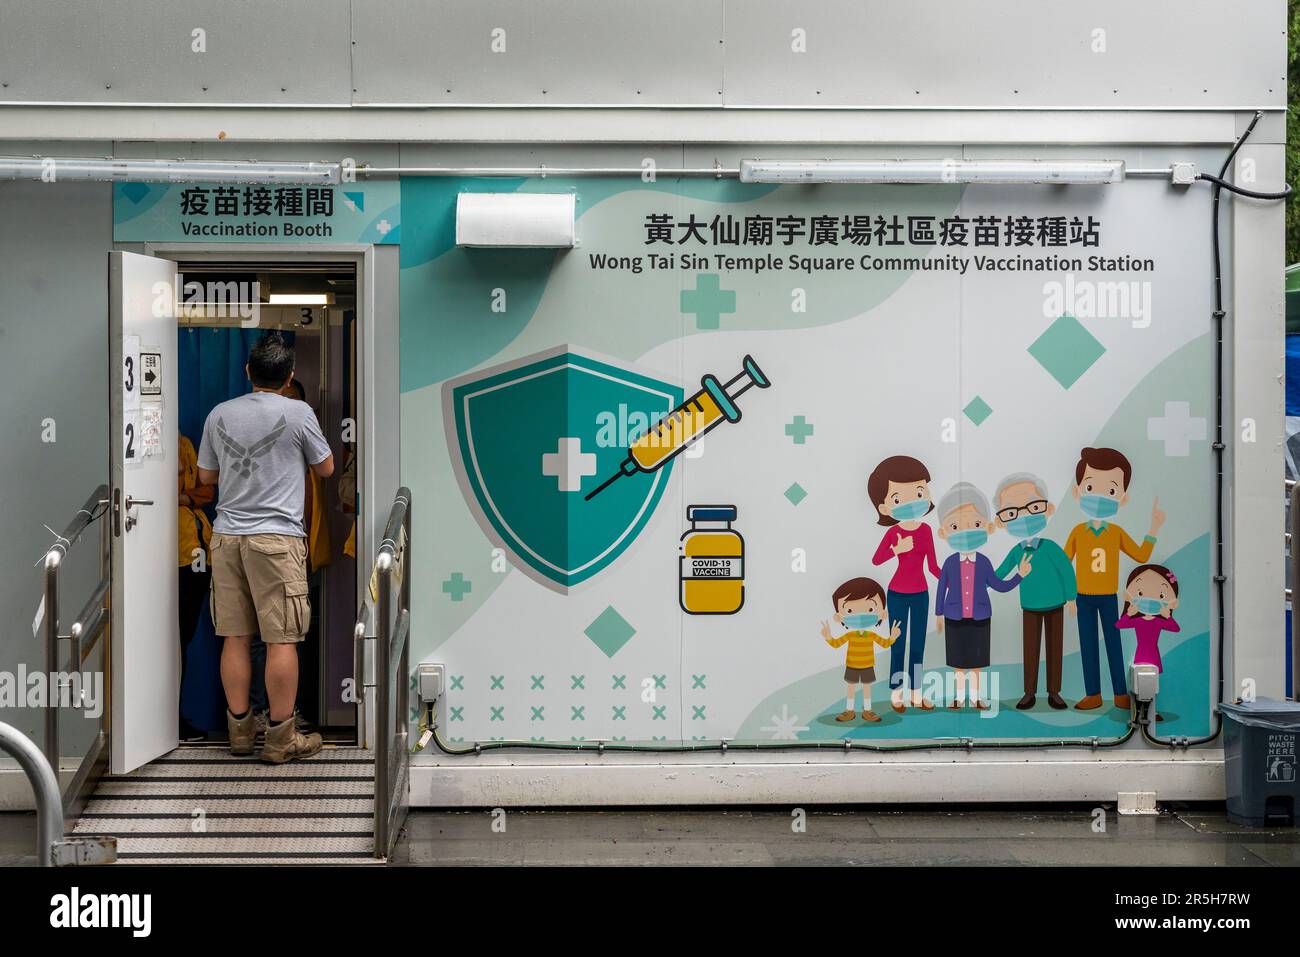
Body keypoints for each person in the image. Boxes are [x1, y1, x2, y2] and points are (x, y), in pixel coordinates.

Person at [197, 331, 334, 763]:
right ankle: (280, 740)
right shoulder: (298, 413)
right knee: (282, 640)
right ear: (290, 375)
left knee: (234, 637)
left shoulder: (220, 414)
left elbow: (205, 478)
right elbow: (327, 468)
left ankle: (240, 734)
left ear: (248, 372)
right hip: (277, 539)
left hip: (228, 538)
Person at [1063, 447, 1166, 712]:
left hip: (1108, 597)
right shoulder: (1077, 532)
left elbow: (1141, 555)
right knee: (1088, 645)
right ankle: (1093, 694)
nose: (1098, 497)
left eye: (1109, 491)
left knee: (1113, 643)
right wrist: (1068, 597)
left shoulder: (1116, 533)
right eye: (1090, 488)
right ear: (1078, 492)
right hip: (1082, 597)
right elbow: (1064, 565)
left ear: (1122, 498)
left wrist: (1153, 528)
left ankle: (1120, 693)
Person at [934, 482, 1029, 710]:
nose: (966, 532)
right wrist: (939, 614)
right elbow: (941, 588)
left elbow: (999, 585)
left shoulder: (984, 562)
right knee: (957, 663)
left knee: (976, 663)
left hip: (980, 618)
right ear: (944, 532)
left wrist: (1020, 576)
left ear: (987, 527)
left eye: (975, 524)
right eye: (955, 526)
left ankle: (976, 698)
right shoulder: (949, 562)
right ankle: (957, 698)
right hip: (954, 617)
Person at [992, 472, 1077, 711]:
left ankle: (1054, 692)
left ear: (1047, 509)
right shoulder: (1017, 552)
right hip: (1029, 605)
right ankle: (1029, 692)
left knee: (1054, 648)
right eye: (1012, 512)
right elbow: (999, 573)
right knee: (1030, 650)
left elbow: (1066, 571)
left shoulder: (1050, 548)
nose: (1024, 516)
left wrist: (1071, 598)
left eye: (1033, 506)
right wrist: (981, 580)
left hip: (1056, 604)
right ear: (1002, 521)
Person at [868, 455, 940, 713]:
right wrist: (896, 549)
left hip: (921, 594)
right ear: (886, 507)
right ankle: (897, 693)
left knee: (918, 644)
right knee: (898, 643)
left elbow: (932, 566)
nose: (911, 502)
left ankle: (916, 693)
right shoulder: (892, 532)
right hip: (897, 593)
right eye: (899, 498)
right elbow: (877, 560)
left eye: (919, 493)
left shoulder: (926, 531)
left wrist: (950, 579)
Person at [177, 432, 214, 742]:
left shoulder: (185, 443)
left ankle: (174, 717)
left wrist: (187, 497)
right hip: (168, 558)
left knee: (183, 639)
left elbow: (207, 490)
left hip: (197, 555)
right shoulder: (154, 444)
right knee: (169, 641)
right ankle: (164, 719)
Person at [820, 577, 899, 723]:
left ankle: (867, 711)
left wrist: (893, 636)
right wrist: (828, 636)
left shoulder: (871, 635)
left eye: (870, 609)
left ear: (882, 613)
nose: (860, 615)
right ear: (839, 617)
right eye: (849, 610)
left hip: (867, 665)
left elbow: (885, 643)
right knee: (851, 687)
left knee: (866, 688)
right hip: (852, 665)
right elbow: (836, 644)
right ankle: (849, 711)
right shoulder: (850, 635)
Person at [1116, 563, 1181, 722]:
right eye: (1140, 592)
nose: (1149, 599)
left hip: (1153, 654)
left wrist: (1167, 616)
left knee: (1150, 685)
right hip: (1141, 654)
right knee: (1143, 684)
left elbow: (1175, 628)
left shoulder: (1158, 621)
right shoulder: (1138, 620)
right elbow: (1120, 625)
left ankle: (1152, 711)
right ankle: (1139, 711)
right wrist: (1129, 614)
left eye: (1161, 595)